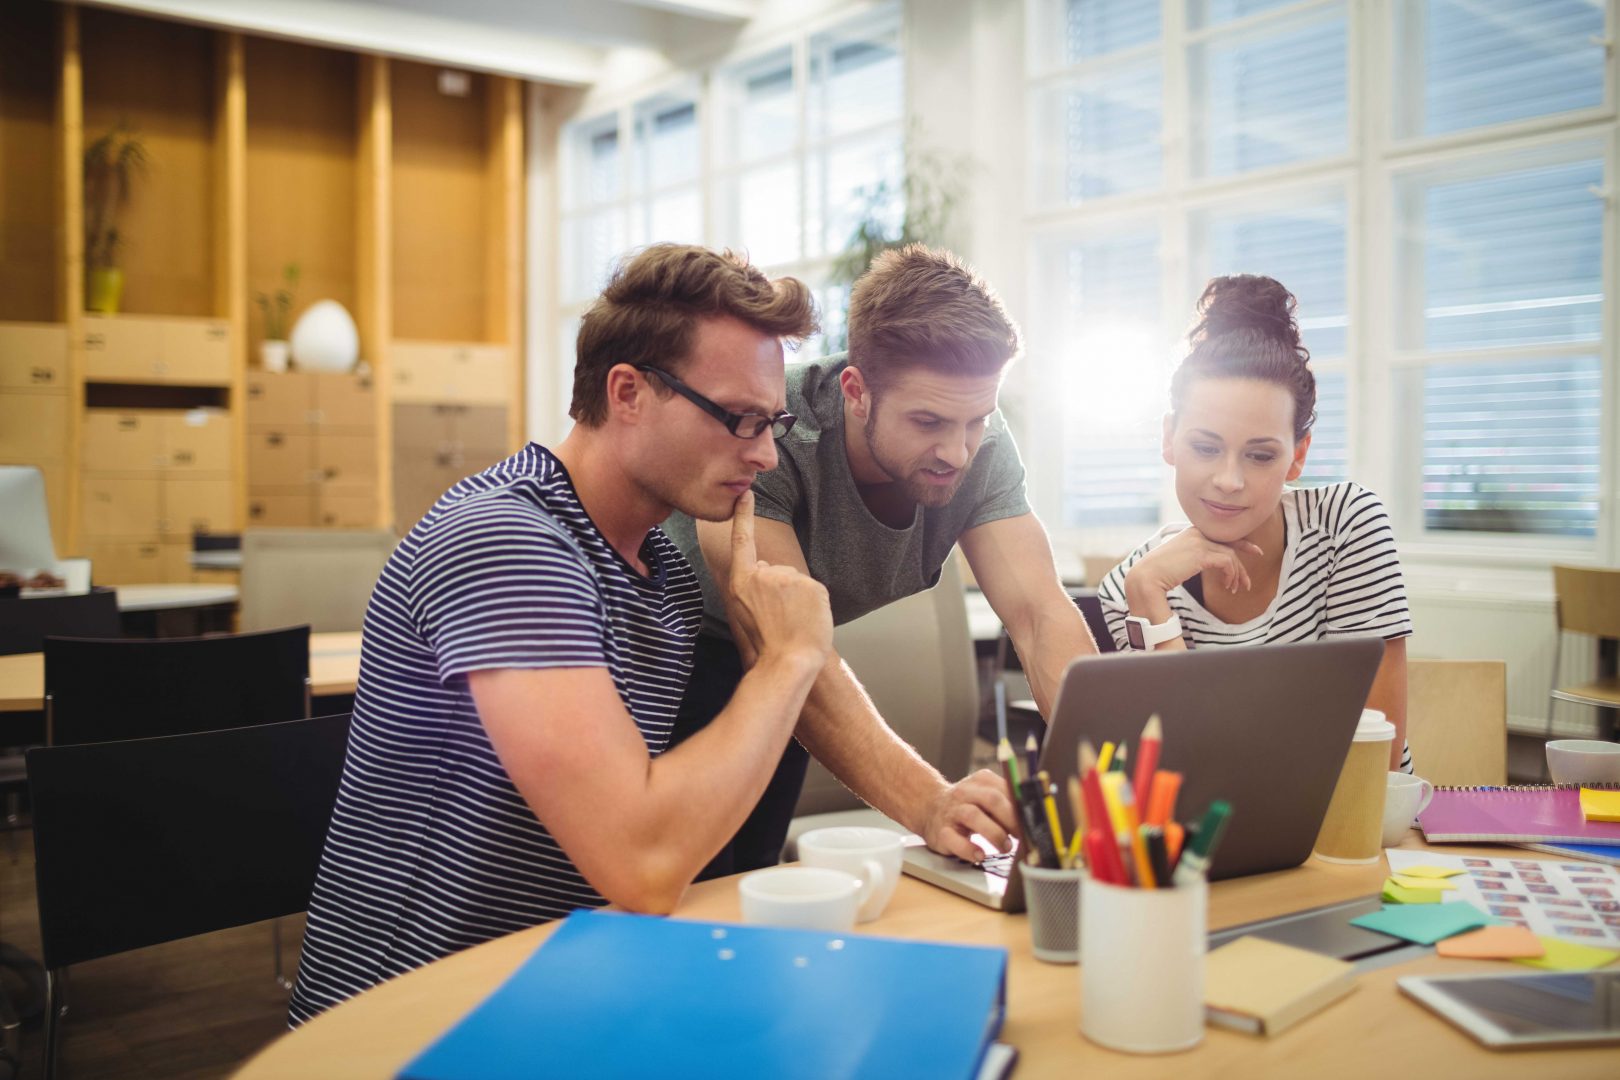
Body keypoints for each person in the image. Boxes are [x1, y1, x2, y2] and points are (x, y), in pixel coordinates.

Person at [288, 245, 833, 1024]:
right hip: (413, 1019)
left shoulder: (664, 578)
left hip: (560, 989)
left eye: (771, 421)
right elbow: (642, 864)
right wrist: (792, 658)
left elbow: (665, 827)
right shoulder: (506, 540)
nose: (765, 453)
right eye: (739, 419)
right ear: (628, 393)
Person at [663, 244, 1099, 876]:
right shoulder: (769, 432)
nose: (956, 450)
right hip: (675, 662)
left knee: (754, 887)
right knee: (687, 898)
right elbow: (781, 645)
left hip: (789, 673)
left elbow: (1038, 616)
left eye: (976, 419)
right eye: (927, 421)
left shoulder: (979, 441)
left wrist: (1113, 782)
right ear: (856, 390)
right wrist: (930, 803)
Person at [1095, 274, 1414, 770]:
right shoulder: (1132, 586)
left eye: (1260, 455)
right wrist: (1148, 594)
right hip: (1217, 842)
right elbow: (1175, 771)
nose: (1228, 480)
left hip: (1355, 832)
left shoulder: (1344, 525)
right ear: (1169, 439)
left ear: (1297, 456)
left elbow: (1378, 758)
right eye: (1205, 447)